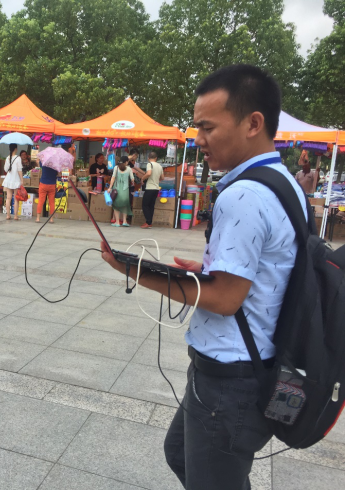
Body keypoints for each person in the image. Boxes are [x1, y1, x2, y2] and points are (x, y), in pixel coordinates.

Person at [102, 64, 306, 490]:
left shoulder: (244, 194)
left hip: (231, 376)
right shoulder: (283, 182)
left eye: (208, 127)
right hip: (256, 363)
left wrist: (133, 270)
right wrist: (209, 271)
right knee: (180, 453)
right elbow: (266, 268)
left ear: (253, 123)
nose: (199, 139)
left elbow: (225, 299)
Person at [133, 151, 163, 228]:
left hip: (150, 188)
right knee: (151, 205)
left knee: (145, 205)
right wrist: (156, 180)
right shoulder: (160, 166)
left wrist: (142, 178)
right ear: (156, 158)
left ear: (148, 158)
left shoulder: (149, 164)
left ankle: (148, 222)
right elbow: (162, 178)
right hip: (156, 188)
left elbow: (149, 173)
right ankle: (149, 222)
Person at [109, 156, 134, 227]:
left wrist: (110, 187)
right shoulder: (129, 169)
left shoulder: (116, 168)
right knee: (125, 205)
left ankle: (117, 222)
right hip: (125, 190)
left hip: (116, 190)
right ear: (126, 162)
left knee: (116, 206)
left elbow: (113, 178)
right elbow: (132, 179)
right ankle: (124, 221)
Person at [2, 143, 22, 220]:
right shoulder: (18, 158)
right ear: (16, 149)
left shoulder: (7, 158)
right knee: (16, 198)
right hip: (16, 180)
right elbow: (19, 170)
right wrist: (22, 180)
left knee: (8, 198)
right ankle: (15, 216)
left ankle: (8, 215)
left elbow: (5, 169)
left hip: (8, 180)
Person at [36, 158, 58, 224]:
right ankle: (51, 219)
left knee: (41, 201)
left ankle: (38, 218)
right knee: (52, 202)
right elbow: (58, 174)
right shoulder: (55, 165)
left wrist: (39, 158)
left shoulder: (43, 163)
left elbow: (38, 162)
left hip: (43, 183)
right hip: (52, 184)